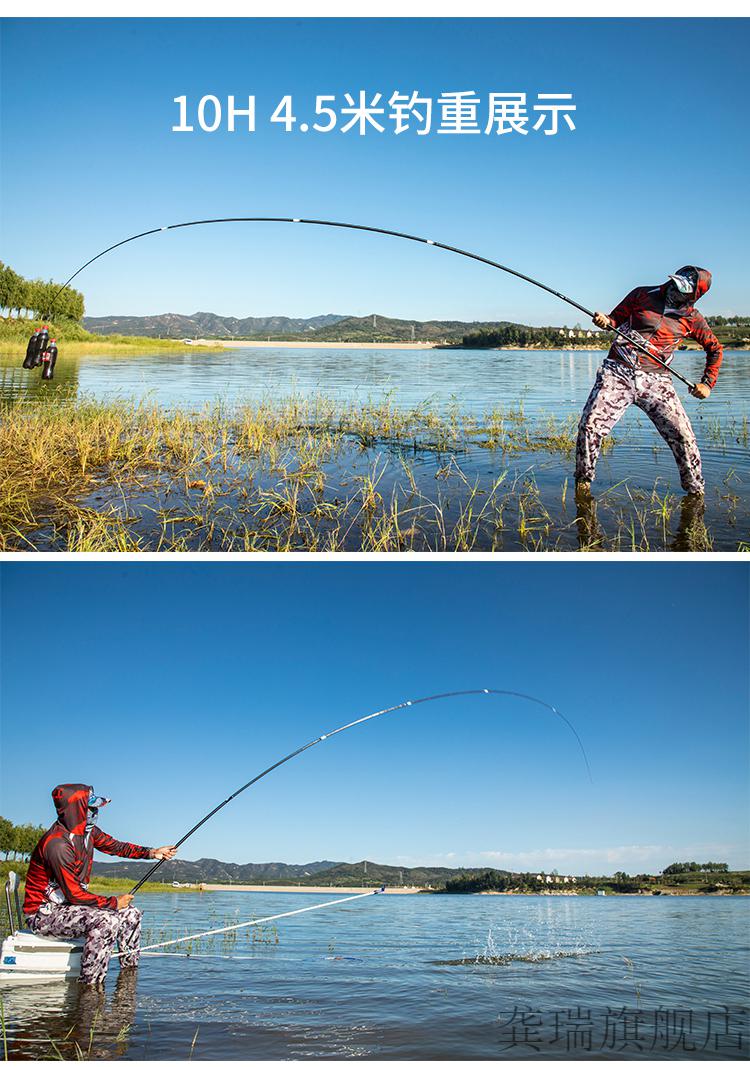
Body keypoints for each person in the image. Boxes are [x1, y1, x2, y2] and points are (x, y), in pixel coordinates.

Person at [576, 266, 723, 497]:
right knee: (590, 425)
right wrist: (606, 321)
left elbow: (715, 349)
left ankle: (696, 491)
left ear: (693, 295)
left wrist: (707, 383)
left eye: (682, 289)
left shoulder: (693, 320)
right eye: (674, 283)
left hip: (657, 380)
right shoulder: (642, 294)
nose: (674, 290)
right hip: (617, 371)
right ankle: (583, 483)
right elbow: (615, 320)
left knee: (683, 436)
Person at [23, 783, 177, 986]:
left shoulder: (89, 832)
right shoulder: (57, 845)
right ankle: (91, 987)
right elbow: (75, 895)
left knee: (131, 914)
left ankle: (128, 979)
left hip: (68, 908)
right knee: (107, 920)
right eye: (91, 808)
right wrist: (113, 903)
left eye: (96, 808)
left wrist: (152, 853)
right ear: (75, 810)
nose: (95, 813)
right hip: (43, 916)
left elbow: (116, 847)